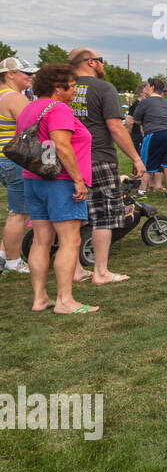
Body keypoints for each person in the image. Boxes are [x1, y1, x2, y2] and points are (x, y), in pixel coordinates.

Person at [19, 64, 97, 314]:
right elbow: (62, 146)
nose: (75, 90)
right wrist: (77, 179)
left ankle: (39, 297)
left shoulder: (28, 108)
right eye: (72, 86)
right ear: (57, 87)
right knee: (70, 240)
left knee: (41, 240)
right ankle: (65, 301)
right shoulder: (59, 108)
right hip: (60, 181)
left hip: (33, 178)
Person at [68, 47, 145, 285]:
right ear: (91, 62)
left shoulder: (62, 87)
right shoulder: (103, 88)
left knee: (71, 216)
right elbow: (115, 127)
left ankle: (75, 269)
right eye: (101, 60)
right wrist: (135, 157)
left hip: (67, 159)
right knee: (104, 214)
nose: (103, 64)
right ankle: (100, 271)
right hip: (98, 156)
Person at [0, 56, 38, 277]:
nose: (30, 77)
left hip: (4, 158)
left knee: (14, 210)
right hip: (14, 159)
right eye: (26, 73)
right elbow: (34, 125)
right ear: (10, 74)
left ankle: (5, 253)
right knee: (19, 214)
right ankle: (14, 261)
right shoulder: (14, 98)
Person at [131, 78, 167, 197]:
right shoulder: (165, 102)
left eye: (148, 86)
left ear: (153, 87)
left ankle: (141, 191)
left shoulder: (145, 101)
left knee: (146, 162)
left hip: (156, 133)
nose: (146, 88)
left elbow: (136, 120)